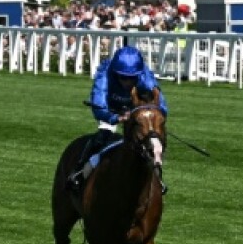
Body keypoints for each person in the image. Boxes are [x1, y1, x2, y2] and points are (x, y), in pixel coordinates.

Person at [66, 45, 168, 195]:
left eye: (132, 78)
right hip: (111, 111)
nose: (127, 82)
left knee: (152, 141)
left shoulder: (145, 75)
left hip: (137, 113)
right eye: (123, 77)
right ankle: (80, 172)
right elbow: (99, 106)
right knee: (102, 138)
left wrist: (151, 118)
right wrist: (115, 118)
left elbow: (161, 106)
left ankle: (157, 178)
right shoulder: (104, 74)